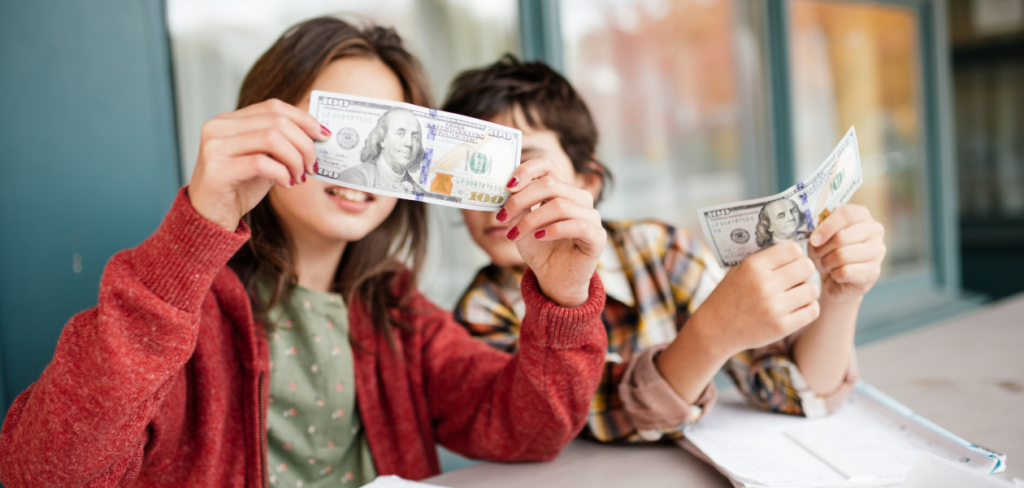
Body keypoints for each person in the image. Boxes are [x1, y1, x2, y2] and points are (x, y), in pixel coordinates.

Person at [0, 21, 609, 487]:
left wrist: (564, 300)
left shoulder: (398, 313)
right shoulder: (178, 305)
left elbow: (531, 430)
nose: (371, 158)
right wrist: (197, 228)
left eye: (397, 135)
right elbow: (45, 474)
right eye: (342, 132)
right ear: (264, 127)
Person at [442, 55, 887, 443]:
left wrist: (841, 294)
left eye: (522, 164)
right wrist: (713, 333)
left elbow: (794, 392)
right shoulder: (481, 310)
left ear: (588, 182)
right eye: (475, 171)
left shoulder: (657, 249)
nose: (500, 194)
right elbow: (599, 419)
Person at [338, 108, 427, 194]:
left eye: (415, 137)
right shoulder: (355, 178)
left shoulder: (419, 192)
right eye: (400, 133)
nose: (409, 143)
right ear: (382, 139)